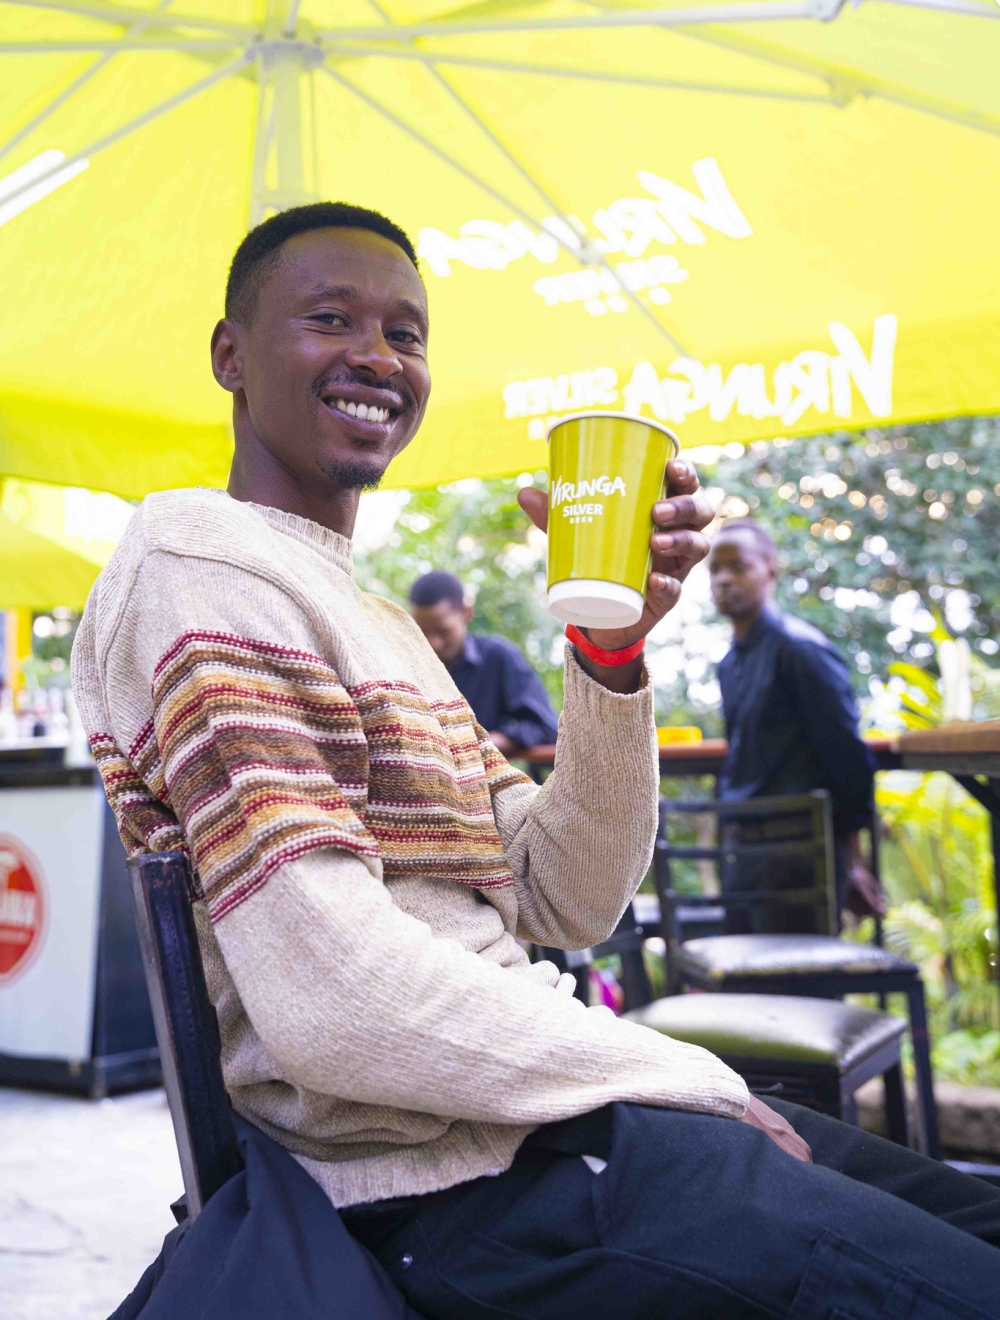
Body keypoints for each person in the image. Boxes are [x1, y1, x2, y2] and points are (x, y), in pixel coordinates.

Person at [72, 202, 1000, 1319]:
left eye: (406, 334)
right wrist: (675, 1072)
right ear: (231, 353)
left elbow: (567, 893)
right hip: (445, 1191)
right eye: (330, 319)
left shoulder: (379, 622)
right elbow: (333, 1001)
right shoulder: (200, 562)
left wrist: (609, 654)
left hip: (555, 1124)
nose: (378, 355)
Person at [709, 519, 886, 922]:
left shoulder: (801, 650)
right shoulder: (730, 663)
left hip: (800, 856)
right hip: (742, 854)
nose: (723, 579)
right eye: (715, 569)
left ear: (770, 570)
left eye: (738, 566)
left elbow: (846, 756)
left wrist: (852, 860)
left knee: (800, 965)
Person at [408, 569, 558, 755]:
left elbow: (544, 727)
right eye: (422, 632)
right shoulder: (408, 666)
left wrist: (482, 743)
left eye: (442, 630)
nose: (433, 643)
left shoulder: (498, 657)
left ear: (466, 612)